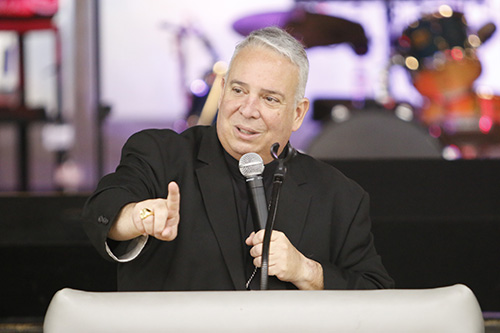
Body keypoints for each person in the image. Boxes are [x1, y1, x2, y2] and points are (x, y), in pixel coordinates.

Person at [83, 26, 394, 291]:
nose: (248, 109)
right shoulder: (161, 154)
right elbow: (103, 209)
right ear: (222, 90)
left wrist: (308, 272)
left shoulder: (339, 196)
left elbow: (377, 294)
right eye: (238, 90)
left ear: (297, 114)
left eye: (269, 98)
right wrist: (140, 217)